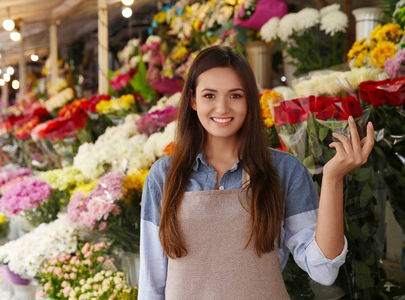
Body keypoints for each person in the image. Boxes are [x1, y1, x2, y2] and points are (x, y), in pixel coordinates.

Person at [138, 46, 375, 299]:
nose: (221, 108)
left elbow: (323, 270)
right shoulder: (164, 176)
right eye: (209, 95)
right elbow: (152, 285)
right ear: (193, 100)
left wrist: (333, 179)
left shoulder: (284, 170)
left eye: (235, 96)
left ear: (250, 100)